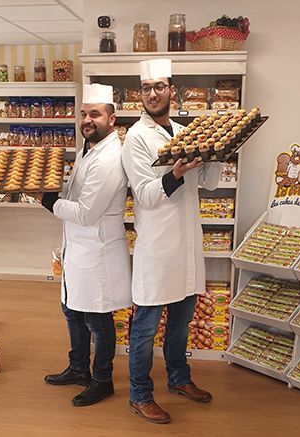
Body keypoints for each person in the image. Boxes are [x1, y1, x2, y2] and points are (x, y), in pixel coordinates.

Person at [121, 59, 223, 424]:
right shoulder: (135, 137)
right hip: (158, 248)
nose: (152, 93)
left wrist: (217, 152)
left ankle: (179, 379)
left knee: (180, 323)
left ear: (171, 91)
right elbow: (145, 195)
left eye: (159, 86)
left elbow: (209, 183)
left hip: (187, 245)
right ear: (140, 95)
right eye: (146, 88)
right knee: (146, 327)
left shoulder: (183, 131)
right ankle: (139, 394)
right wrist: (176, 173)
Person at [40, 83, 132, 407]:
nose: (87, 119)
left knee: (97, 318)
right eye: (83, 114)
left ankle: (102, 379)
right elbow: (74, 198)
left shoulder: (109, 158)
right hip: (78, 248)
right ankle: (78, 367)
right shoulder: (87, 149)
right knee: (72, 310)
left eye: (95, 114)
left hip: (98, 250)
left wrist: (49, 202)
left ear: (112, 118)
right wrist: (55, 195)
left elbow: (85, 212)